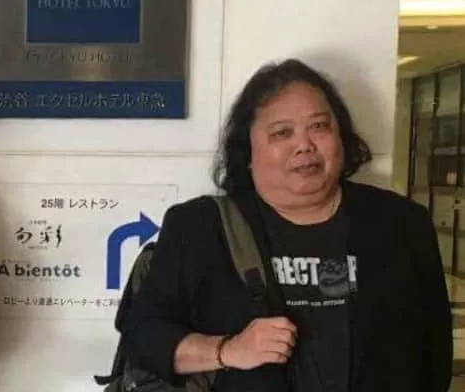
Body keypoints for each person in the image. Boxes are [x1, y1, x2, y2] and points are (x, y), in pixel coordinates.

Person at [122, 59, 452, 391]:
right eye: (282, 133)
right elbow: (143, 335)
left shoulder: (402, 224)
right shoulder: (198, 227)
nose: (304, 145)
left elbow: (434, 355)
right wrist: (227, 350)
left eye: (319, 126)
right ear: (247, 150)